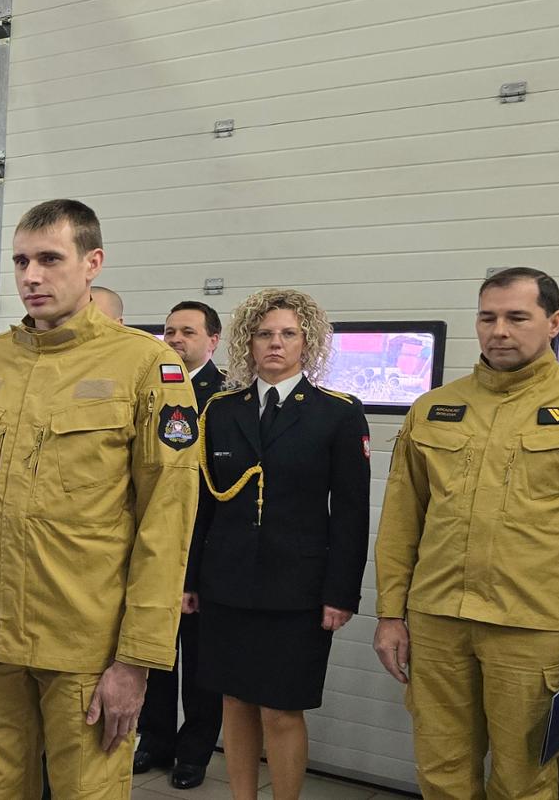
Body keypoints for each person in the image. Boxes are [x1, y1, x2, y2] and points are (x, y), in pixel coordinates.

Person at [0, 199, 202, 799]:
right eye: (22, 260)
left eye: (50, 258)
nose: (31, 275)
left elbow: (167, 522)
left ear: (92, 262)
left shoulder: (145, 366)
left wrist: (137, 660)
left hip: (84, 645)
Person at [375, 267, 559, 798]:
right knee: (441, 771)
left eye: (516, 317)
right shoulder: (434, 408)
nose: (499, 330)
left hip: (532, 627)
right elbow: (401, 521)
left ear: (552, 322)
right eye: (488, 317)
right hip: (437, 621)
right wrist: (391, 613)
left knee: (523, 780)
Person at [186, 289, 368, 799]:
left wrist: (341, 594)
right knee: (234, 702)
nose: (275, 343)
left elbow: (351, 512)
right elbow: (204, 505)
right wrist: (189, 580)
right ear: (247, 342)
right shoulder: (220, 411)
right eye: (265, 334)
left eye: (288, 334)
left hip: (298, 590)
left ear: (306, 342)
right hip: (226, 584)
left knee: (281, 709)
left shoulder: (337, 413)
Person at [136, 300, 228, 788]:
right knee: (152, 651)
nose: (173, 340)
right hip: (150, 547)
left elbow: (216, 494)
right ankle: (154, 740)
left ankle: (193, 752)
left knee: (198, 663)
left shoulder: (225, 397)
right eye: (168, 331)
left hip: (201, 551)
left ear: (212, 341)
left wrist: (193, 572)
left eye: (187, 332)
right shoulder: (151, 389)